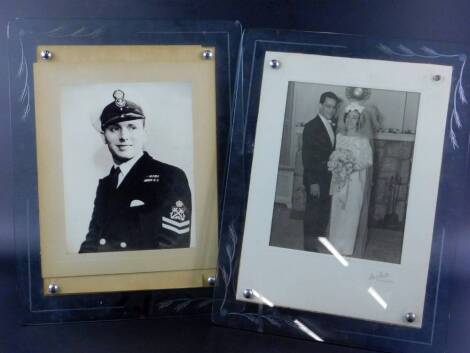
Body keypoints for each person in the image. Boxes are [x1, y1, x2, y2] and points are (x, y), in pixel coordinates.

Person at [79, 89, 192, 253]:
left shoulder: (170, 177)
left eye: (132, 127)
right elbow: (91, 243)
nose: (124, 136)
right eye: (114, 129)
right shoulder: (106, 185)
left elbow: (173, 249)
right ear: (104, 137)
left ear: (144, 133)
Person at [328, 102, 373, 256]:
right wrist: (337, 164)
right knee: (337, 210)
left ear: (359, 120)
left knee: (351, 212)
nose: (350, 121)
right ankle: (334, 244)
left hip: (354, 181)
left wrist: (351, 165)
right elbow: (335, 155)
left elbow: (368, 160)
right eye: (348, 117)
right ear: (345, 118)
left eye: (354, 118)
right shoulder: (339, 137)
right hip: (339, 180)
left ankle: (346, 248)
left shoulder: (363, 140)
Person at [302, 91, 340, 251]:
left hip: (329, 178)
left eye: (333, 107)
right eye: (328, 106)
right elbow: (307, 158)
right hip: (316, 179)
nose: (331, 110)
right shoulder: (311, 126)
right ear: (320, 105)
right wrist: (313, 183)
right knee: (313, 214)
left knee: (323, 214)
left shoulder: (335, 125)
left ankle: (318, 243)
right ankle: (309, 249)